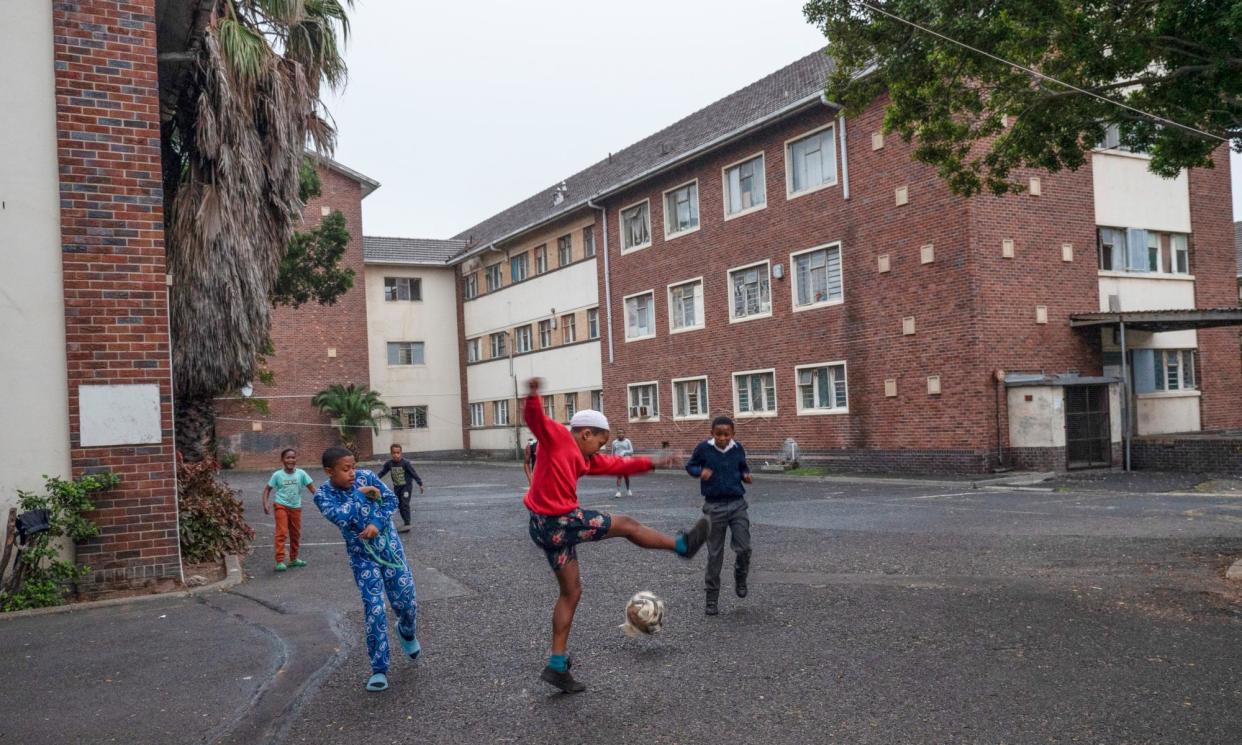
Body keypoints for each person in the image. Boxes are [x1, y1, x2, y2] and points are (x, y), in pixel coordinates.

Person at [522, 377, 709, 694]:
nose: (601, 448)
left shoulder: (584, 457)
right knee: (627, 525)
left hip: (543, 527)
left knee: (572, 592)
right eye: (599, 441)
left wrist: (657, 461)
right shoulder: (557, 438)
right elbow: (535, 420)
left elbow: (617, 464)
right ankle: (682, 545)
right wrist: (533, 394)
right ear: (585, 433)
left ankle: (557, 664)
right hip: (560, 521)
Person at [313, 446, 419, 692]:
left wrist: (376, 522)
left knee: (407, 601)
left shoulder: (367, 477)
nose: (352, 473)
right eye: (345, 469)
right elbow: (340, 516)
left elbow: (390, 500)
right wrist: (359, 496)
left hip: (390, 549)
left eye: (353, 467)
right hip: (363, 558)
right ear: (329, 471)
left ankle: (406, 631)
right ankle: (379, 668)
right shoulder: (323, 495)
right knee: (374, 609)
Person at [685, 416, 753, 616]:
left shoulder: (737, 448)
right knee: (715, 553)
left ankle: (740, 576)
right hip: (714, 507)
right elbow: (690, 466)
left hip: (737, 504)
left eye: (726, 434)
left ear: (733, 434)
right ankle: (712, 598)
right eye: (718, 434)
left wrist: (745, 475)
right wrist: (700, 472)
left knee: (744, 547)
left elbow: (742, 467)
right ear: (712, 433)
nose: (722, 438)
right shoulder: (703, 449)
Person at [262, 448, 315, 572]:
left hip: (295, 507)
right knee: (281, 532)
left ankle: (293, 559)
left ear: (296, 459)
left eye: (293, 457)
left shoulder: (301, 474)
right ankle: (280, 561)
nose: (291, 460)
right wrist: (265, 503)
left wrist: (323, 501)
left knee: (295, 534)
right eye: (288, 457)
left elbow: (312, 488)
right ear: (282, 460)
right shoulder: (277, 475)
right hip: (281, 505)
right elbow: (267, 489)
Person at [377, 443, 423, 534]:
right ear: (391, 453)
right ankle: (406, 523)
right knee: (399, 505)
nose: (396, 455)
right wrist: (373, 479)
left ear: (401, 453)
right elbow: (382, 473)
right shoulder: (389, 464)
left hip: (406, 487)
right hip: (397, 487)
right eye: (394, 453)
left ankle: (407, 523)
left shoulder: (405, 463)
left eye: (398, 453)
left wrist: (420, 483)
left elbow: (413, 473)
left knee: (404, 503)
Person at [611, 430, 634, 498]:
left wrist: (624, 452)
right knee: (619, 476)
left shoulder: (627, 441)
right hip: (618, 461)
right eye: (618, 433)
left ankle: (628, 490)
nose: (620, 434)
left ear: (624, 434)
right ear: (617, 434)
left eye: (622, 433)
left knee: (626, 476)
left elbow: (631, 451)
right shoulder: (614, 442)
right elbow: (613, 453)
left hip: (626, 460)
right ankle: (618, 492)